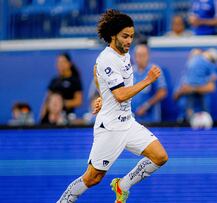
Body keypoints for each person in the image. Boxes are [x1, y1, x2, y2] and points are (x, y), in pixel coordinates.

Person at [57, 9, 168, 203]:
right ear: (112, 35)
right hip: (110, 128)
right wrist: (148, 80)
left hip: (128, 123)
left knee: (160, 157)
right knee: (92, 178)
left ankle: (122, 186)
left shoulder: (123, 54)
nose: (129, 41)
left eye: (131, 36)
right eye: (125, 36)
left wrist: (102, 96)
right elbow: (120, 95)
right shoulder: (107, 58)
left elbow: (96, 73)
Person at [174, 48, 217, 120]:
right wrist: (182, 91)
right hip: (184, 119)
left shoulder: (207, 73)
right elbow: (175, 96)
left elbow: (211, 87)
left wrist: (192, 88)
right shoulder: (183, 76)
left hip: (201, 118)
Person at [132, 44, 168, 122]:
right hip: (133, 118)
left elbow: (162, 92)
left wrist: (147, 105)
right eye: (139, 55)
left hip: (151, 118)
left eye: (144, 55)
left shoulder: (154, 70)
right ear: (135, 57)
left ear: (148, 56)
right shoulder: (130, 71)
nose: (141, 58)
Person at [42, 53, 83, 117]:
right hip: (53, 118)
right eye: (58, 62)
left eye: (63, 62)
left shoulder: (75, 81)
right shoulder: (54, 81)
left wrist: (61, 103)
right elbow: (46, 101)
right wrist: (43, 117)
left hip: (67, 117)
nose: (60, 65)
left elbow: (78, 101)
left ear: (69, 63)